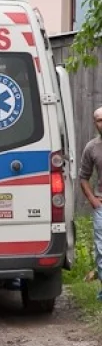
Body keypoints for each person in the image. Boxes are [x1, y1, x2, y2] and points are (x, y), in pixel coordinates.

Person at [80, 106, 102, 300]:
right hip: (101, 205)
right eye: (99, 120)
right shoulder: (91, 147)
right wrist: (93, 200)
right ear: (95, 123)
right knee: (101, 249)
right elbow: (83, 177)